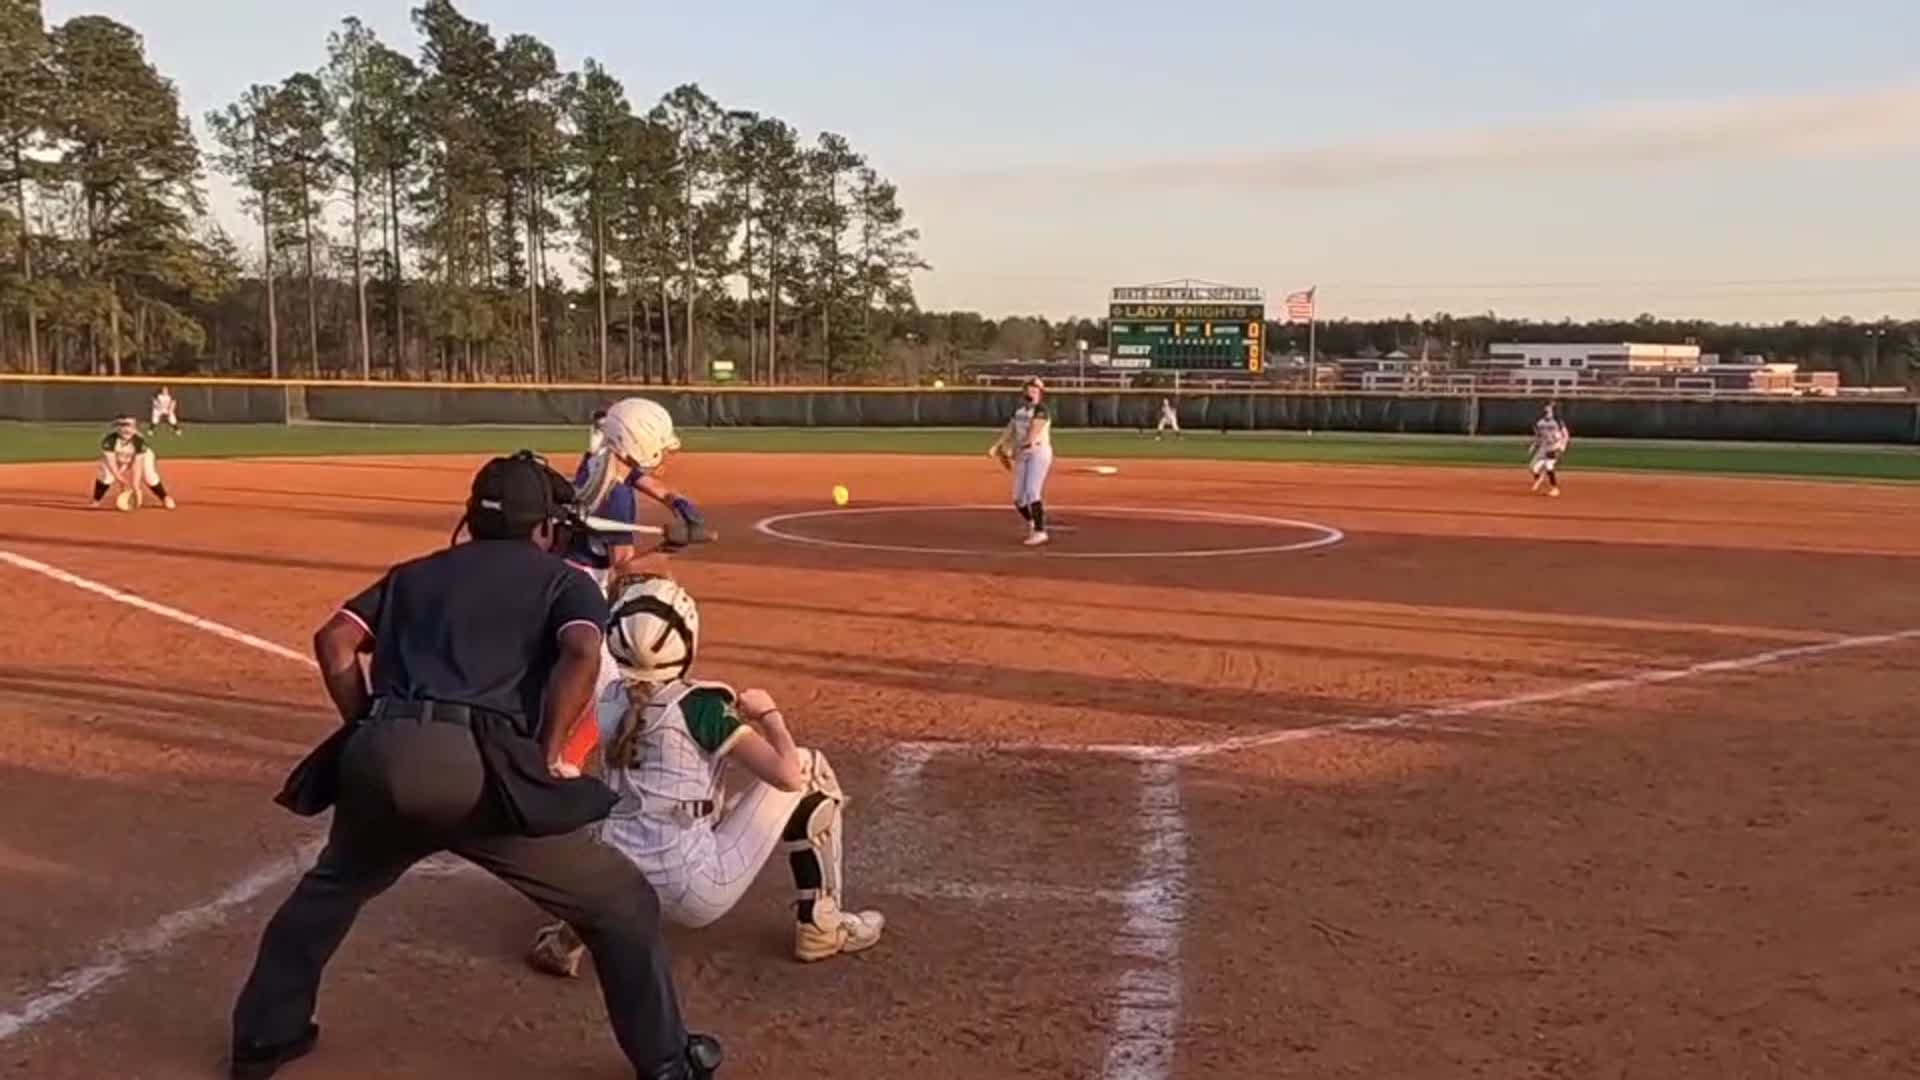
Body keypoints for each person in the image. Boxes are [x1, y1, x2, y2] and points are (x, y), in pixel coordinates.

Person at [228, 452, 721, 1080]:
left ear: (473, 519)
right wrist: (544, 755)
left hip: (380, 756)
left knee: (328, 893)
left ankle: (263, 1041)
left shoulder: (413, 574)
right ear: (544, 527)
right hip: (478, 769)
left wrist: (364, 725)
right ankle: (667, 1061)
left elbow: (335, 642)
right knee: (620, 903)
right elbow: (580, 650)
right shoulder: (560, 580)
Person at [528, 574, 883, 978]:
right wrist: (770, 716)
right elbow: (786, 776)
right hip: (692, 889)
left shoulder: (608, 696)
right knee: (809, 768)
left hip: (614, 880)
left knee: (624, 820)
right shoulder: (700, 707)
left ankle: (571, 935)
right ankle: (823, 924)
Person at [555, 397, 710, 771]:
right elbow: (624, 568)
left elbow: (638, 475)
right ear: (640, 444)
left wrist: (676, 500)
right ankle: (564, 766)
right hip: (586, 586)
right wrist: (671, 546)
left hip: (563, 573)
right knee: (613, 689)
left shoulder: (599, 462)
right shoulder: (618, 500)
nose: (667, 454)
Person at [988, 377, 1053, 547]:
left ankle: (1040, 532)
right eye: (1029, 390)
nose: (1031, 393)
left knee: (1032, 491)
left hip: (1038, 453)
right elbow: (1010, 429)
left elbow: (1032, 436)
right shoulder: (1019, 411)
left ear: (1040, 394)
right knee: (1018, 498)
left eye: (1035, 391)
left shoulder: (1041, 411)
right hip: (1023, 454)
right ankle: (1032, 521)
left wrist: (1012, 451)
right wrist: (998, 446)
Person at [92, 415, 176, 509]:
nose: (126, 429)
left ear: (135, 428)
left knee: (149, 476)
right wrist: (121, 480)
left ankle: (165, 497)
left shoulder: (139, 441)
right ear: (117, 428)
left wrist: (135, 487)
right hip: (118, 458)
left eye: (129, 426)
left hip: (142, 457)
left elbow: (137, 465)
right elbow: (111, 462)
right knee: (106, 476)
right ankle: (96, 500)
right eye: (122, 425)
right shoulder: (109, 440)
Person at [1528, 402, 1571, 497]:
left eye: (1550, 409)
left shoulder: (1558, 422)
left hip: (1555, 446)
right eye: (1546, 409)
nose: (1547, 411)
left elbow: (1566, 435)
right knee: (1533, 468)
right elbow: (1539, 436)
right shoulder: (1540, 423)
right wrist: (1534, 445)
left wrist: (1562, 447)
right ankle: (1539, 480)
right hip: (1544, 448)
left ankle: (1554, 489)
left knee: (1549, 465)